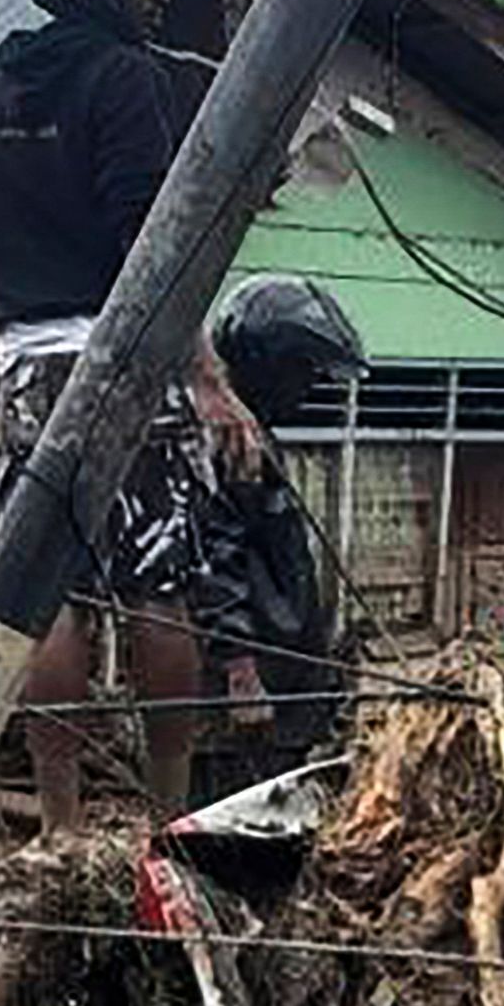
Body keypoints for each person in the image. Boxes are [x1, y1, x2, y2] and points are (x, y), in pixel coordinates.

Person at [0, 0, 264, 837]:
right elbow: (155, 245)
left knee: (45, 599)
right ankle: (168, 815)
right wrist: (207, 378)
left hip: (21, 369)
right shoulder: (124, 79)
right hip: (121, 362)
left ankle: (61, 825)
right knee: (156, 586)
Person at [189, 274, 367, 778]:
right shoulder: (225, 442)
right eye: (303, 372)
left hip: (283, 694)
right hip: (240, 708)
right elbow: (213, 559)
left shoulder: (256, 435)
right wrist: (240, 672)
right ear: (264, 364)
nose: (310, 388)